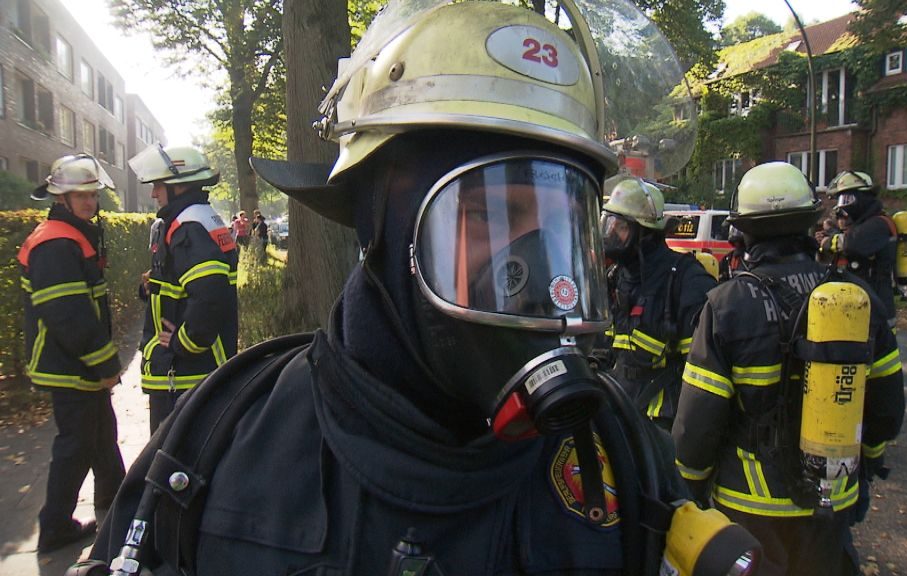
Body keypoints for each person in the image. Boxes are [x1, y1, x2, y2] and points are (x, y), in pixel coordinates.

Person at [80, 2, 763, 574]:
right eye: (490, 214)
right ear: (382, 222)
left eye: (559, 226)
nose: (531, 266)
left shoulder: (618, 454)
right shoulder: (222, 441)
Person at [673, 162, 905, 576]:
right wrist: (865, 461)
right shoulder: (856, 298)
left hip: (749, 506)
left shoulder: (726, 305)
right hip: (831, 498)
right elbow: (886, 407)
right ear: (810, 223)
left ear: (743, 232)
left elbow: (697, 423)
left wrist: (687, 491)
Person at [19, 154, 125, 553]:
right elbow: (69, 315)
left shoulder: (70, 234)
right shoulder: (56, 242)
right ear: (60, 198)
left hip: (76, 363)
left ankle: (115, 506)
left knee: (100, 438)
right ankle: (55, 527)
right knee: (77, 444)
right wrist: (105, 364)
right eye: (79, 195)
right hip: (71, 365)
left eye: (92, 194)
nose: (89, 202)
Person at [128, 144, 239, 433]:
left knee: (173, 463)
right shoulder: (199, 218)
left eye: (158, 185)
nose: (154, 193)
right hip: (189, 370)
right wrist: (153, 285)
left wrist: (184, 344)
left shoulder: (189, 227)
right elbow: (189, 284)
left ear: (178, 187)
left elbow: (210, 296)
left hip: (186, 373)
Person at [601, 177, 716, 430]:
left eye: (619, 227)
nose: (609, 235)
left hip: (661, 422)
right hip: (619, 410)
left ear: (644, 232)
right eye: (608, 224)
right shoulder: (616, 277)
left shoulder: (686, 280)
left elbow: (702, 377)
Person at [819, 170, 898, 326]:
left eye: (847, 199)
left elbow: (852, 245)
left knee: (879, 349)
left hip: (876, 309)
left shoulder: (878, 224)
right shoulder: (862, 226)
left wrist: (828, 242)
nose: (844, 206)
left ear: (863, 197)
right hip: (860, 304)